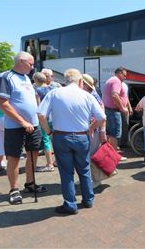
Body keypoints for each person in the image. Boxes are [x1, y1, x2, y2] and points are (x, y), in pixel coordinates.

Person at [37, 69, 106, 215]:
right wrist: (91, 128)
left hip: (61, 137)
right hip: (82, 137)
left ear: (65, 80)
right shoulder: (87, 96)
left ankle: (70, 204)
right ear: (80, 81)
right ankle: (88, 200)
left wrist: (49, 132)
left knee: (66, 172)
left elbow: (41, 114)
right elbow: (101, 117)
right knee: (84, 169)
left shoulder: (54, 93)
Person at [0, 51, 46, 205]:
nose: (33, 67)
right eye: (30, 64)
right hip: (15, 126)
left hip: (34, 124)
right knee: (14, 157)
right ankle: (14, 189)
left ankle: (30, 183)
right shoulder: (6, 77)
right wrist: (23, 122)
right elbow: (3, 104)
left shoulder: (26, 78)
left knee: (34, 153)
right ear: (21, 62)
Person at [82, 73, 104, 189]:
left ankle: (96, 179)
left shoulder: (93, 95)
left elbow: (101, 114)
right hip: (91, 129)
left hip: (94, 129)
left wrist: (101, 130)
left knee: (93, 155)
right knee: (88, 155)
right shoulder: (89, 94)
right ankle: (90, 178)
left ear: (85, 84)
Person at [102, 67, 129, 160]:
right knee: (115, 134)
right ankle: (114, 156)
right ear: (119, 73)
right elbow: (115, 95)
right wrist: (122, 108)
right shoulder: (116, 81)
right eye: (124, 75)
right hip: (113, 111)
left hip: (109, 110)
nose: (125, 77)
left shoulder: (111, 80)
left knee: (109, 133)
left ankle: (109, 154)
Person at [34, 72, 55, 172]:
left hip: (44, 118)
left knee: (46, 140)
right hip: (54, 117)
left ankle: (49, 164)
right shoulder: (53, 88)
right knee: (55, 139)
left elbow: (38, 106)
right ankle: (56, 161)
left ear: (36, 80)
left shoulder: (37, 90)